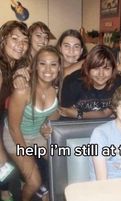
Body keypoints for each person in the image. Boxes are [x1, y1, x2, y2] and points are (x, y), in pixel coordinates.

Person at [3, 46, 63, 201]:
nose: (48, 69)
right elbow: (14, 127)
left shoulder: (57, 88)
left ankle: (48, 193)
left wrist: (47, 127)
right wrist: (26, 154)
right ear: (35, 66)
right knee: (34, 182)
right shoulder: (23, 90)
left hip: (36, 134)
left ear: (59, 67)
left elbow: (52, 115)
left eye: (53, 64)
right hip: (15, 135)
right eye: (43, 63)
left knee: (61, 161)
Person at [0, 20, 29, 201]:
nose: (20, 44)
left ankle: (4, 191)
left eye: (24, 40)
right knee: (3, 163)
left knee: (6, 172)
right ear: (3, 39)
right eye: (14, 38)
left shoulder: (13, 64)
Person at [59, 44, 121, 119]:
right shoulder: (72, 83)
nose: (101, 74)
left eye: (106, 68)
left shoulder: (118, 83)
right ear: (88, 68)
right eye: (96, 68)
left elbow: (108, 113)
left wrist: (80, 114)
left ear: (113, 69)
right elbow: (64, 113)